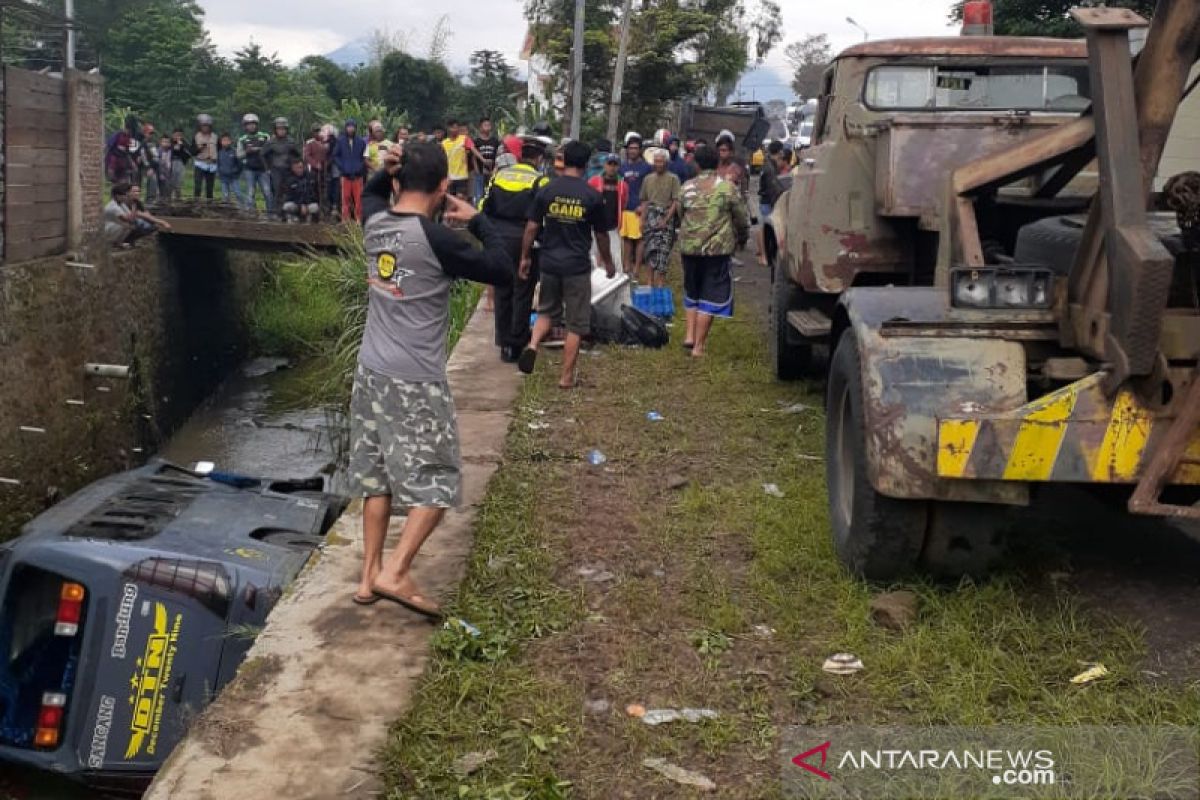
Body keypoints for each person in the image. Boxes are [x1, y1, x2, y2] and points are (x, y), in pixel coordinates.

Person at [350, 141, 513, 615]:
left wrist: (386, 169)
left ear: (400, 181)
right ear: (444, 187)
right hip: (414, 378)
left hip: (370, 371)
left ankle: (367, 577)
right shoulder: (437, 240)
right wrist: (478, 220)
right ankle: (395, 572)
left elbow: (373, 192)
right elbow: (502, 270)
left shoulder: (374, 221)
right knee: (439, 484)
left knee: (375, 477)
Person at [517, 140, 615, 388]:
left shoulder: (547, 190)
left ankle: (533, 344)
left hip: (549, 262)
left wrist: (525, 256)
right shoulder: (592, 196)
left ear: (564, 160)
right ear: (585, 164)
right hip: (576, 266)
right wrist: (609, 263)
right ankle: (566, 377)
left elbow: (531, 227)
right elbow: (602, 235)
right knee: (576, 322)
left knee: (546, 312)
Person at [479, 132, 551, 363]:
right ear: (539, 158)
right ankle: (516, 343)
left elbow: (483, 206)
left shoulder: (499, 176)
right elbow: (543, 218)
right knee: (523, 291)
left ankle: (503, 344)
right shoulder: (541, 181)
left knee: (502, 290)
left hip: (498, 238)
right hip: (524, 241)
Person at [678, 145, 749, 358]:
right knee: (711, 294)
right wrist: (741, 238)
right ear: (718, 163)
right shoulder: (727, 188)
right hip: (716, 252)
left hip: (689, 249)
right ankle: (699, 347)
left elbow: (681, 214)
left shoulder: (686, 187)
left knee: (692, 291)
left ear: (696, 164)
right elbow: (741, 218)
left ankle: (689, 336)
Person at [636, 148, 681, 287]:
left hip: (666, 217)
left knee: (663, 252)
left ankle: (660, 282)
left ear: (666, 162)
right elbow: (644, 201)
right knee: (650, 251)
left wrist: (666, 219)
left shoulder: (673, 178)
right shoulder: (647, 179)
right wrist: (642, 220)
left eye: (661, 161)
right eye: (656, 161)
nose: (658, 164)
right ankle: (649, 282)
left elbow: (676, 201)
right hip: (651, 216)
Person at [619, 133, 653, 278]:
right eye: (630, 148)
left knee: (640, 239)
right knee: (626, 238)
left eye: (635, 148)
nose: (632, 151)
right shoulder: (622, 167)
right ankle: (626, 266)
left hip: (640, 208)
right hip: (626, 208)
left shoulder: (646, 168)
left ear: (640, 150)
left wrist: (644, 206)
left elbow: (650, 189)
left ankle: (637, 268)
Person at [587, 153, 627, 276]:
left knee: (616, 261)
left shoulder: (622, 185)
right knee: (592, 260)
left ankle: (616, 286)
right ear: (605, 165)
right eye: (610, 164)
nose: (612, 167)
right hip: (594, 228)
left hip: (613, 228)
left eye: (615, 164)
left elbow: (623, 204)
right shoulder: (593, 181)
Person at [262, 118, 301, 217]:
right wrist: (267, 168)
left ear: (286, 129)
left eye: (283, 129)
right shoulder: (271, 142)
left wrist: (295, 165)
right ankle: (276, 213)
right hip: (276, 170)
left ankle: (289, 212)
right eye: (279, 129)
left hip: (288, 170)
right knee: (277, 191)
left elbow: (298, 155)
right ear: (275, 129)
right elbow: (262, 154)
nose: (281, 131)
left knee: (290, 190)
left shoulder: (291, 142)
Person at [756, 140, 787, 265]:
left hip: (765, 201)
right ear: (779, 152)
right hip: (768, 202)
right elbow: (773, 187)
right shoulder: (770, 168)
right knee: (765, 230)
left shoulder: (768, 164)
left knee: (764, 228)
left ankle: (765, 256)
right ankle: (765, 256)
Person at [332, 119, 368, 221]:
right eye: (349, 127)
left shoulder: (361, 142)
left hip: (358, 175)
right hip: (345, 175)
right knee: (345, 198)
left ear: (355, 128)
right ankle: (346, 221)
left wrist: (360, 167)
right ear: (346, 128)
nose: (351, 129)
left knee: (359, 199)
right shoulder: (340, 141)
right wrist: (342, 166)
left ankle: (359, 220)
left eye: (353, 127)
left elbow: (364, 157)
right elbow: (335, 156)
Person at [104, 183, 156, 247]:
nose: (126, 197)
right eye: (124, 195)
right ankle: (116, 242)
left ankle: (120, 242)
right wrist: (134, 206)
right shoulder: (113, 207)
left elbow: (131, 217)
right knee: (129, 225)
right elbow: (129, 219)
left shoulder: (121, 204)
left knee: (138, 226)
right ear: (117, 196)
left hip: (115, 226)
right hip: (107, 229)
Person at [238, 114, 272, 211]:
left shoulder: (265, 136)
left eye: (253, 124)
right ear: (245, 126)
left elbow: (270, 150)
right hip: (249, 169)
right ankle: (251, 213)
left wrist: (260, 149)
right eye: (248, 124)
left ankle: (271, 213)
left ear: (257, 125)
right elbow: (238, 155)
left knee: (267, 191)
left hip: (263, 169)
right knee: (250, 192)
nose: (251, 126)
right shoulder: (242, 139)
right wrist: (247, 152)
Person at [442, 119, 475, 199]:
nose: (455, 130)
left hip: (462, 175)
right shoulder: (444, 143)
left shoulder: (464, 139)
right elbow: (442, 160)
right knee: (451, 199)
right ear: (448, 129)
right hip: (450, 176)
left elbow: (473, 150)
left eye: (457, 127)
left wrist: (483, 160)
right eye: (453, 127)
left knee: (460, 197)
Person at [304, 123, 331, 214]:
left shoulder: (326, 142)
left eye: (319, 131)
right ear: (312, 133)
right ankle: (315, 210)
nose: (317, 133)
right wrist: (315, 164)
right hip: (314, 171)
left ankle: (325, 208)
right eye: (315, 131)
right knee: (314, 189)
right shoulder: (310, 143)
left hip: (325, 170)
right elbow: (307, 156)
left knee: (325, 189)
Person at [471, 117, 500, 202]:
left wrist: (495, 168)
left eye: (489, 125)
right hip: (480, 172)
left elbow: (497, 155)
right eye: (485, 125)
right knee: (479, 195)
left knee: (491, 194)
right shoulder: (476, 141)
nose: (487, 127)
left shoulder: (495, 141)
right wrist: (476, 169)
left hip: (492, 171)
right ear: (480, 127)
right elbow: (473, 157)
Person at [193, 114, 219, 200]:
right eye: (203, 126)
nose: (205, 128)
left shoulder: (215, 136)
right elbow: (192, 151)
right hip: (200, 163)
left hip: (212, 164)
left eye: (207, 126)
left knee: (210, 187)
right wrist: (199, 148)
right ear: (199, 126)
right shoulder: (196, 136)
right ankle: (196, 203)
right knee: (198, 185)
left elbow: (219, 149)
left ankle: (209, 204)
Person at [217, 133, 243, 205]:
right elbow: (218, 164)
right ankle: (227, 210)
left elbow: (240, 164)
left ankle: (241, 208)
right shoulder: (219, 153)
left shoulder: (234, 151)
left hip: (233, 177)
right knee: (225, 195)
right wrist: (219, 172)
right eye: (223, 140)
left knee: (237, 193)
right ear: (220, 142)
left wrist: (236, 171)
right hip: (223, 177)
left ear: (230, 141)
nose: (225, 142)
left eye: (227, 140)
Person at [167, 130, 191, 201]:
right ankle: (168, 199)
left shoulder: (184, 143)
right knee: (170, 183)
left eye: (179, 135)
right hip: (170, 163)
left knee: (178, 183)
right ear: (172, 135)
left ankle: (178, 199)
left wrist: (181, 146)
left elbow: (189, 154)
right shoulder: (169, 142)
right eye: (176, 135)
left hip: (180, 163)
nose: (177, 137)